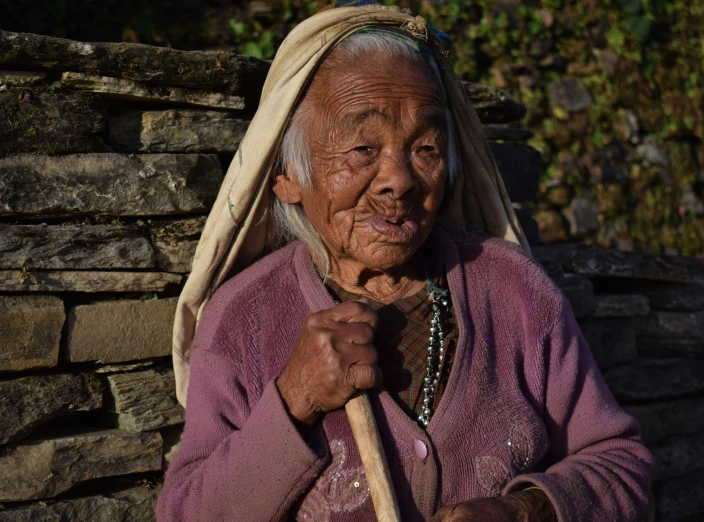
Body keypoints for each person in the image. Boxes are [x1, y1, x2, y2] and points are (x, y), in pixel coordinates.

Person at [157, 3, 653, 521]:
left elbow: (620, 466)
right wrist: (295, 396)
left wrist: (524, 511)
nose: (400, 179)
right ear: (287, 176)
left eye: (426, 147)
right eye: (362, 147)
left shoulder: (514, 290)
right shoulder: (243, 319)